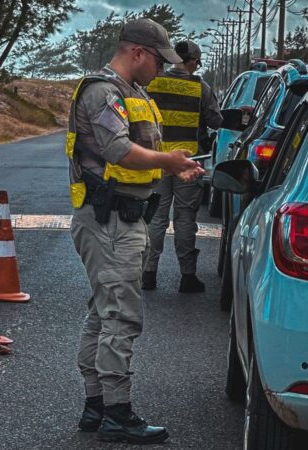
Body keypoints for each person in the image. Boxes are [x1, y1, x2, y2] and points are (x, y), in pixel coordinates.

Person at [65, 19, 205, 444]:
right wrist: (169, 163)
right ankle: (117, 413)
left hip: (126, 217)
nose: (162, 70)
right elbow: (118, 150)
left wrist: (173, 165)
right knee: (121, 317)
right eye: (159, 61)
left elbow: (143, 149)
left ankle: (96, 406)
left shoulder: (135, 93)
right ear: (138, 53)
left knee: (103, 313)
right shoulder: (102, 91)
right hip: (108, 221)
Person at [142, 40, 224, 293]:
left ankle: (148, 274)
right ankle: (187, 276)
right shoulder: (201, 88)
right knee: (185, 217)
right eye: (197, 63)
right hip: (188, 163)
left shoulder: (152, 84)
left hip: (157, 161)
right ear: (191, 62)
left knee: (156, 216)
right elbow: (216, 120)